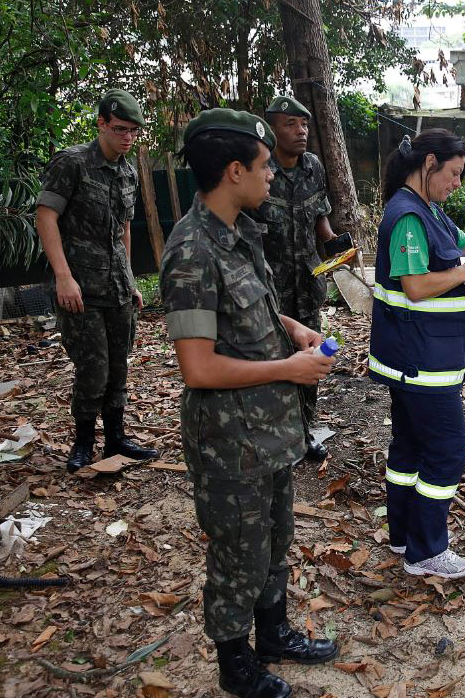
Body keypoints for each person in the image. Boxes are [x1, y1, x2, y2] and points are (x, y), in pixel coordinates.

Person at [159, 109, 339, 698]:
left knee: (274, 538)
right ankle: (235, 663)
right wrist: (289, 369)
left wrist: (292, 330)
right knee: (238, 552)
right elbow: (198, 366)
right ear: (234, 170)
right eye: (263, 168)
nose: (271, 179)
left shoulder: (240, 231)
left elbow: (257, 306)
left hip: (271, 428)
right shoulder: (190, 251)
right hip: (230, 439)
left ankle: (275, 632)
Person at [368, 129, 465, 579]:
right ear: (430, 163)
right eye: (454, 174)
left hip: (420, 356)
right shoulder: (406, 216)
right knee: (446, 451)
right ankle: (427, 551)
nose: (457, 183)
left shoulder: (429, 210)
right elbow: (416, 287)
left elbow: (463, 241)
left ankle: (403, 537)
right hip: (421, 360)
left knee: (409, 449)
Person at [35, 89, 158, 472]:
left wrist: (132, 279)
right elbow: (46, 216)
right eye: (120, 129)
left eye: (134, 132)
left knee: (118, 367)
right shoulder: (71, 163)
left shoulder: (127, 171)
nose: (127, 137)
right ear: (102, 123)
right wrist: (63, 277)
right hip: (81, 289)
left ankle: (116, 439)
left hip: (117, 288)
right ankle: (84, 442)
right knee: (93, 370)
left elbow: (123, 228)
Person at [254, 96, 338, 463]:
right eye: (290, 124)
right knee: (269, 356)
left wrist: (334, 242)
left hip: (307, 279)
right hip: (267, 283)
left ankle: (305, 431)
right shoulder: (260, 168)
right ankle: (270, 433)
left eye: (303, 124)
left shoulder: (314, 168)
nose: (301, 130)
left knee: (310, 354)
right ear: (272, 129)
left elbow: (319, 214)